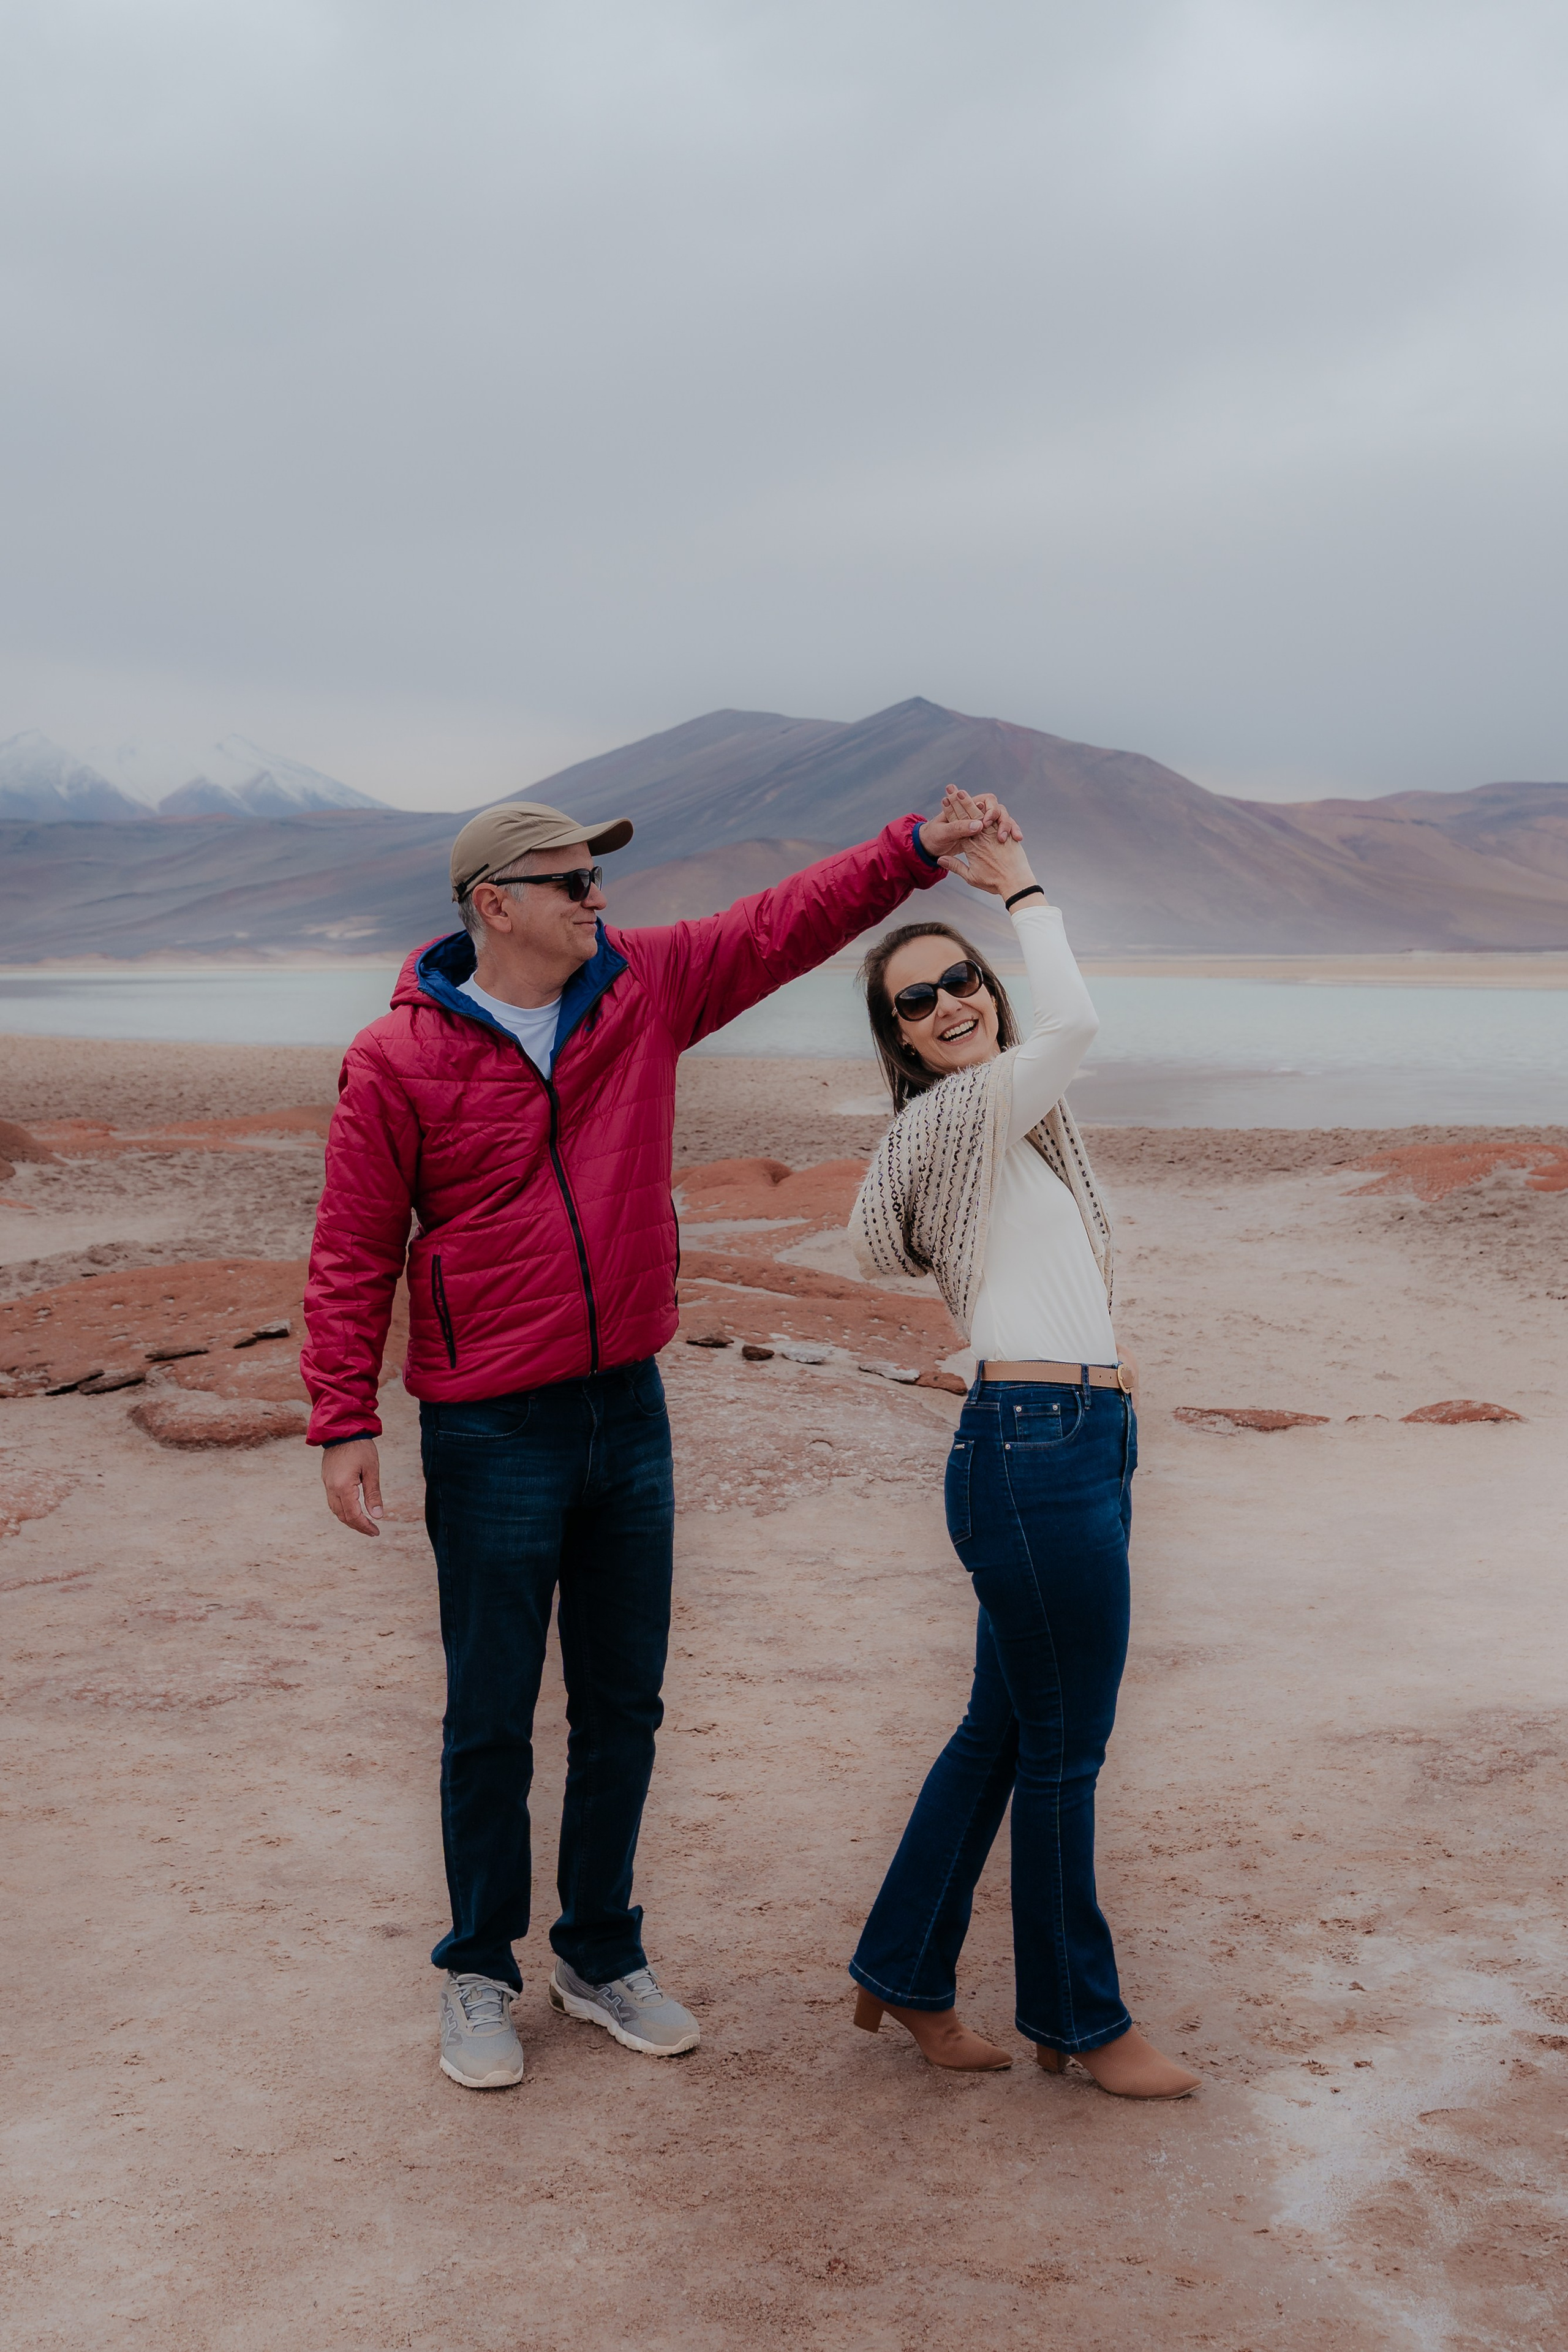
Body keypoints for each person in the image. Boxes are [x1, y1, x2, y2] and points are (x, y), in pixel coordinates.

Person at [302, 786, 1005, 2090]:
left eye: (594, 879)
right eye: (569, 883)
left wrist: (913, 852)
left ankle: (600, 1952)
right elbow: (354, 1248)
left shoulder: (643, 989)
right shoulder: (396, 1060)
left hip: (625, 1405)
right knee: (491, 1718)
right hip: (486, 1426)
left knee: (623, 1703)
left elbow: (780, 925)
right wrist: (343, 1413)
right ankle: (477, 1971)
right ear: (493, 905)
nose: (596, 898)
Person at [845, 785, 1199, 2099]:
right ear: (898, 1038)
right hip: (1031, 1447)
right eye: (914, 1002)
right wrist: (1020, 886)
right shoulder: (961, 1115)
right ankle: (1076, 2018)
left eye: (957, 982)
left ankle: (899, 1971)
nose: (946, 1005)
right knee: (1063, 1749)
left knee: (1001, 1733)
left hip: (1068, 1437)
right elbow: (1080, 1019)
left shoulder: (1014, 1127)